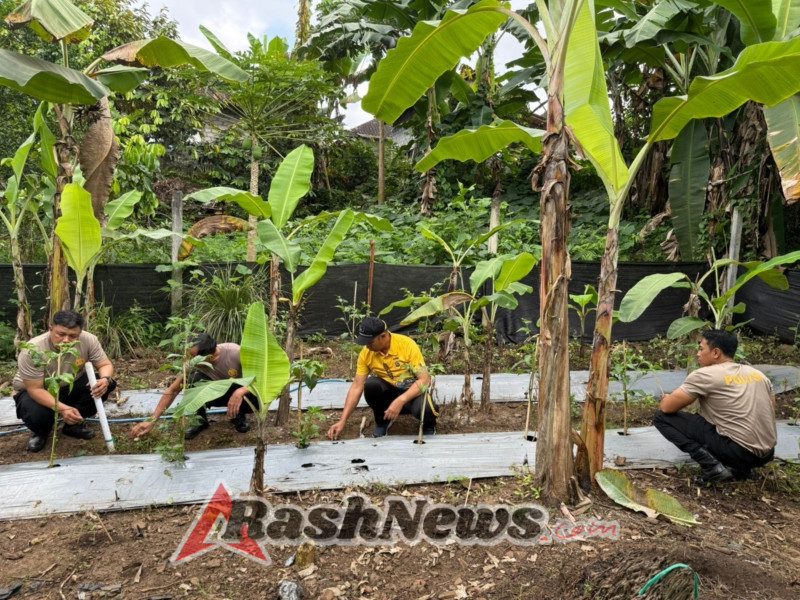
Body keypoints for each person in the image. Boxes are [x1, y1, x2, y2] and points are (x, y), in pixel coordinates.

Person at [654, 329, 777, 484]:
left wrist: (667, 399)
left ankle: (712, 467)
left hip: (738, 453)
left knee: (661, 417)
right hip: (766, 454)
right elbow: (770, 409)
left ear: (716, 353)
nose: (698, 354)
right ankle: (741, 469)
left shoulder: (704, 374)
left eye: (701, 349)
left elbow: (667, 408)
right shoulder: (759, 375)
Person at [13, 309, 117, 453]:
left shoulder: (89, 340)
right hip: (40, 389)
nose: (66, 340)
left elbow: (105, 365)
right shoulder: (33, 350)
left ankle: (72, 424)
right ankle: (40, 431)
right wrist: (63, 409)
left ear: (80, 333)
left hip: (70, 383)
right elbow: (35, 389)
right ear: (51, 329)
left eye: (73, 336)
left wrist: (105, 380)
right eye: (61, 334)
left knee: (103, 386)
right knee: (37, 414)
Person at [327, 316, 437, 440]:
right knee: (371, 385)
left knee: (426, 408)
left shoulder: (406, 344)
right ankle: (383, 421)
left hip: (411, 394)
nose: (367, 346)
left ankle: (429, 424)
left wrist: (400, 400)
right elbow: (356, 387)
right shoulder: (366, 353)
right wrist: (342, 420)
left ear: (383, 336)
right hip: (390, 395)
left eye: (370, 342)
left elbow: (424, 380)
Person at [129, 333, 254, 440]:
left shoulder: (235, 353)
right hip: (214, 391)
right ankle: (199, 420)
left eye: (193, 357)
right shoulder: (191, 363)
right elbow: (173, 390)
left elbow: (259, 379)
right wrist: (152, 420)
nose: (189, 360)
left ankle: (239, 414)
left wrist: (240, 392)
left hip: (239, 391)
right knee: (193, 379)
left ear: (209, 357)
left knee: (256, 398)